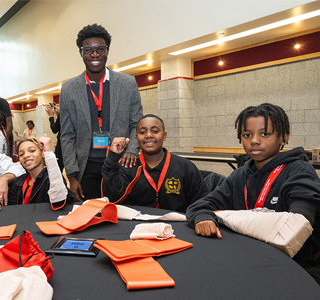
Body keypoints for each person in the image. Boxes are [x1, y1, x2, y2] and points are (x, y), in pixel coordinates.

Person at [186, 103, 320, 284]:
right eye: (247, 135)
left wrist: (226, 217)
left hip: (296, 267)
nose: (254, 140)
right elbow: (200, 205)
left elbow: (296, 227)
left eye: (265, 134)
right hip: (248, 259)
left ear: (284, 137)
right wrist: (203, 217)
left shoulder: (299, 171)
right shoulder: (240, 174)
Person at [60, 23, 143, 202]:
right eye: (89, 50)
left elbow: (137, 123)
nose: (95, 54)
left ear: (107, 51)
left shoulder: (128, 83)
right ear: (81, 52)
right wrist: (72, 175)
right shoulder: (68, 89)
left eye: (100, 49)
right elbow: (67, 135)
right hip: (86, 166)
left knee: (122, 215)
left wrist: (132, 150)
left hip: (120, 163)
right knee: (88, 217)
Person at [102, 114, 208, 212]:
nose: (148, 135)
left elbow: (201, 201)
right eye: (142, 132)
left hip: (177, 227)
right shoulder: (129, 166)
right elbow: (113, 197)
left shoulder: (185, 167)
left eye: (155, 131)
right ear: (136, 138)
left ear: (164, 136)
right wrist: (112, 157)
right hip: (138, 227)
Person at [0, 135, 70, 212]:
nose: (26, 155)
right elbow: (6, 204)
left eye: (32, 151)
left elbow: (59, 200)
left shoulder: (51, 179)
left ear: (42, 154)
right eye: (21, 154)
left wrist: (49, 154)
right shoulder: (19, 181)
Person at [46, 103, 63, 171]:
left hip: (62, 145)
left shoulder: (62, 115)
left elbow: (55, 129)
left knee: (58, 168)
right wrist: (59, 114)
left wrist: (51, 116)